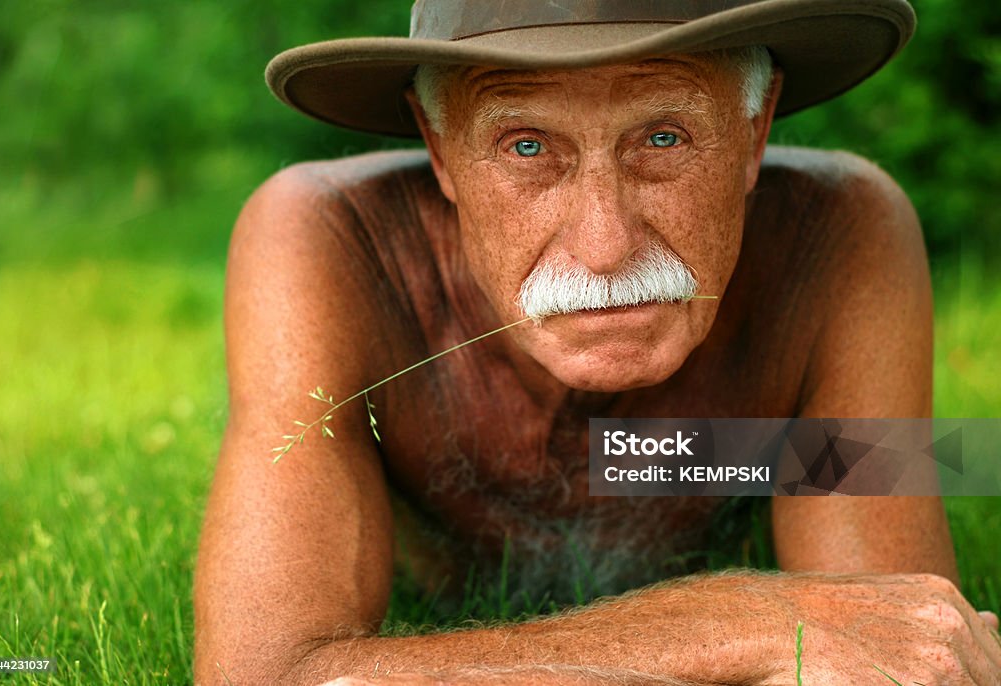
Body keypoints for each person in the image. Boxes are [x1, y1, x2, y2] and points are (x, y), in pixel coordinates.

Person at [194, 1, 1001, 683]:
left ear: (754, 132)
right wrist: (753, 619)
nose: (605, 244)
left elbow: (884, 638)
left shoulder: (842, 233)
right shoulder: (326, 239)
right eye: (527, 146)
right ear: (438, 150)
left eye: (662, 139)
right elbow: (271, 671)